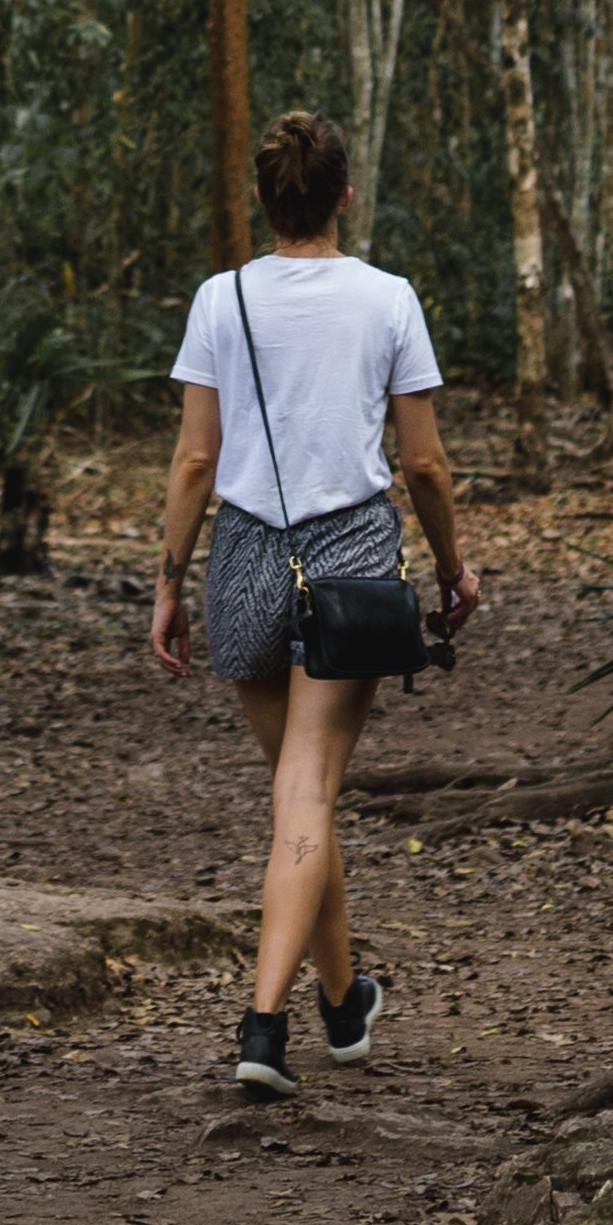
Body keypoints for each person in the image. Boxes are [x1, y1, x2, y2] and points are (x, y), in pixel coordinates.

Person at [146, 108, 483, 1098]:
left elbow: (196, 457)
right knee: (308, 794)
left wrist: (168, 584)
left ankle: (344, 1003)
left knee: (302, 795)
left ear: (264, 197)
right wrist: (454, 567)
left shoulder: (222, 300)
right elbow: (421, 460)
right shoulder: (387, 300)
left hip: (246, 557)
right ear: (343, 193)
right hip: (347, 561)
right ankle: (262, 1029)